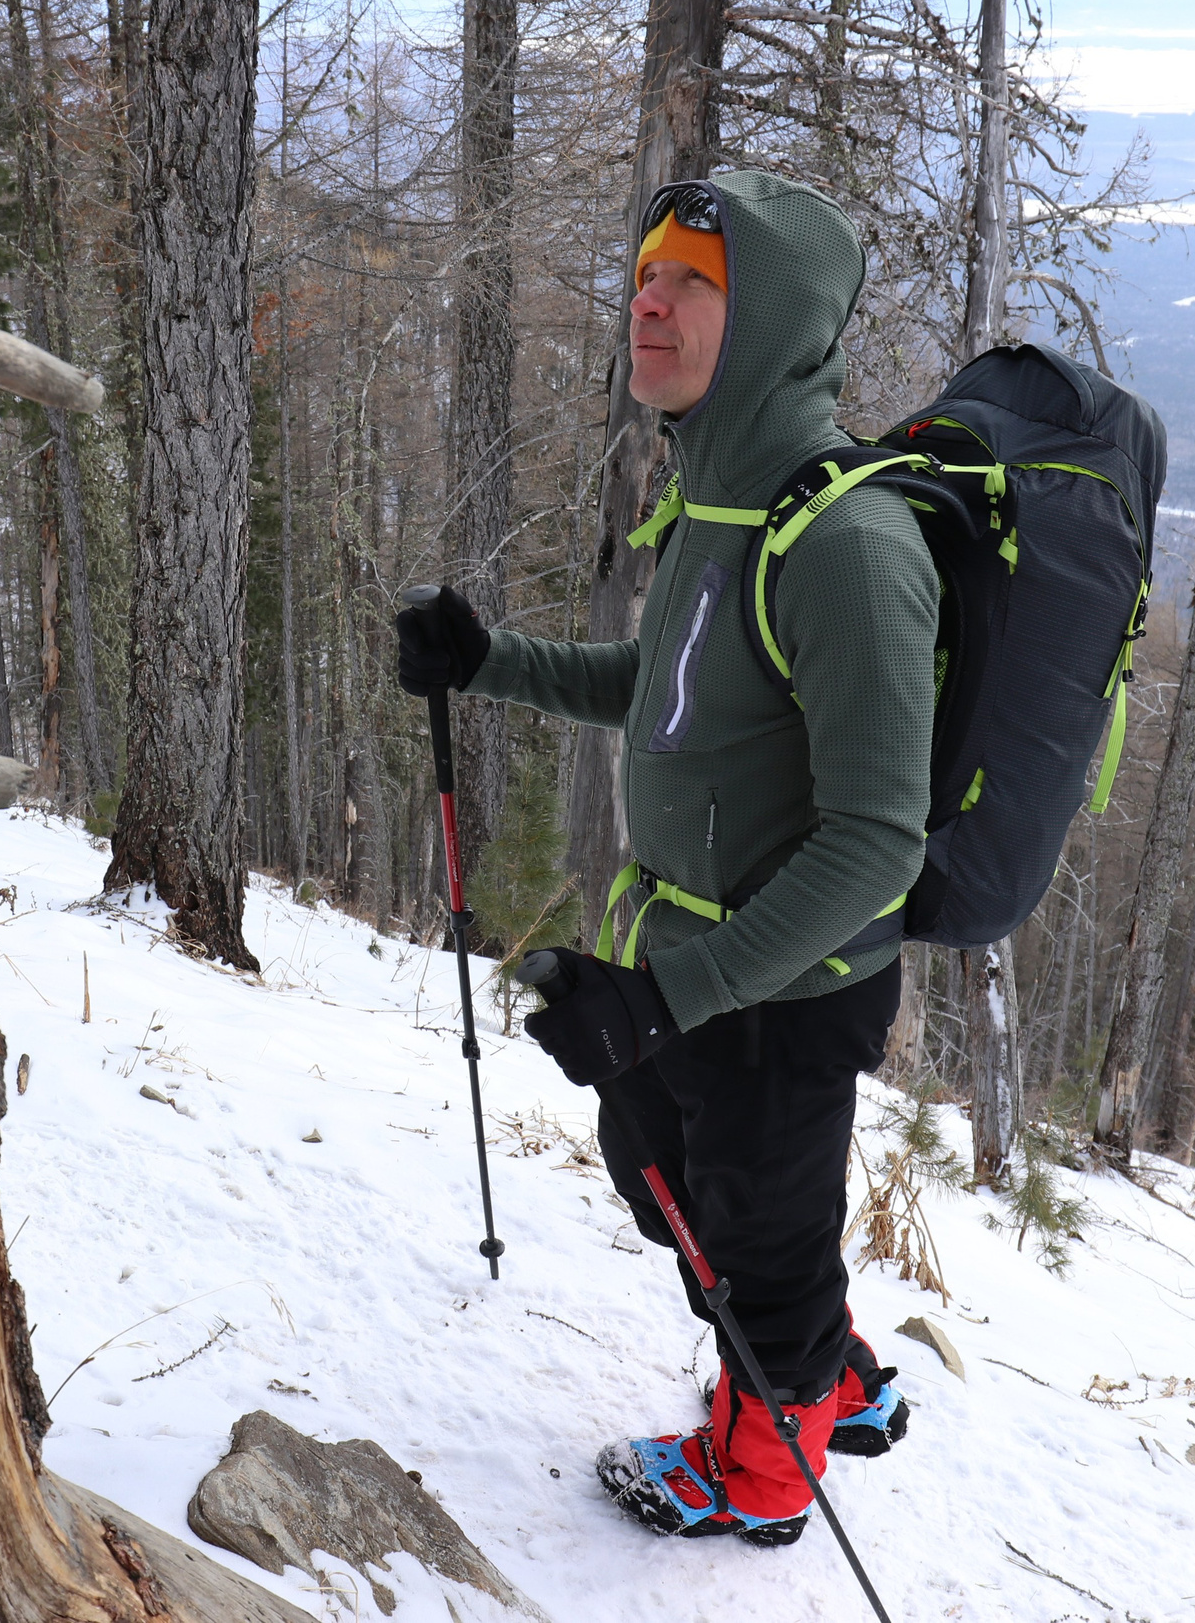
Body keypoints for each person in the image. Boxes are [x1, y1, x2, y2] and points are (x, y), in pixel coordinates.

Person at [396, 171, 932, 1546]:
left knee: (753, 1242)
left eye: (697, 279)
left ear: (772, 322)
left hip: (783, 995)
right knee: (678, 1191)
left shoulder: (846, 541)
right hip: (684, 963)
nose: (651, 297)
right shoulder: (719, 499)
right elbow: (671, 689)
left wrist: (669, 998)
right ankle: (831, 1377)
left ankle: (762, 1481)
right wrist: (489, 662)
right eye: (648, 272)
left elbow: (877, 843)